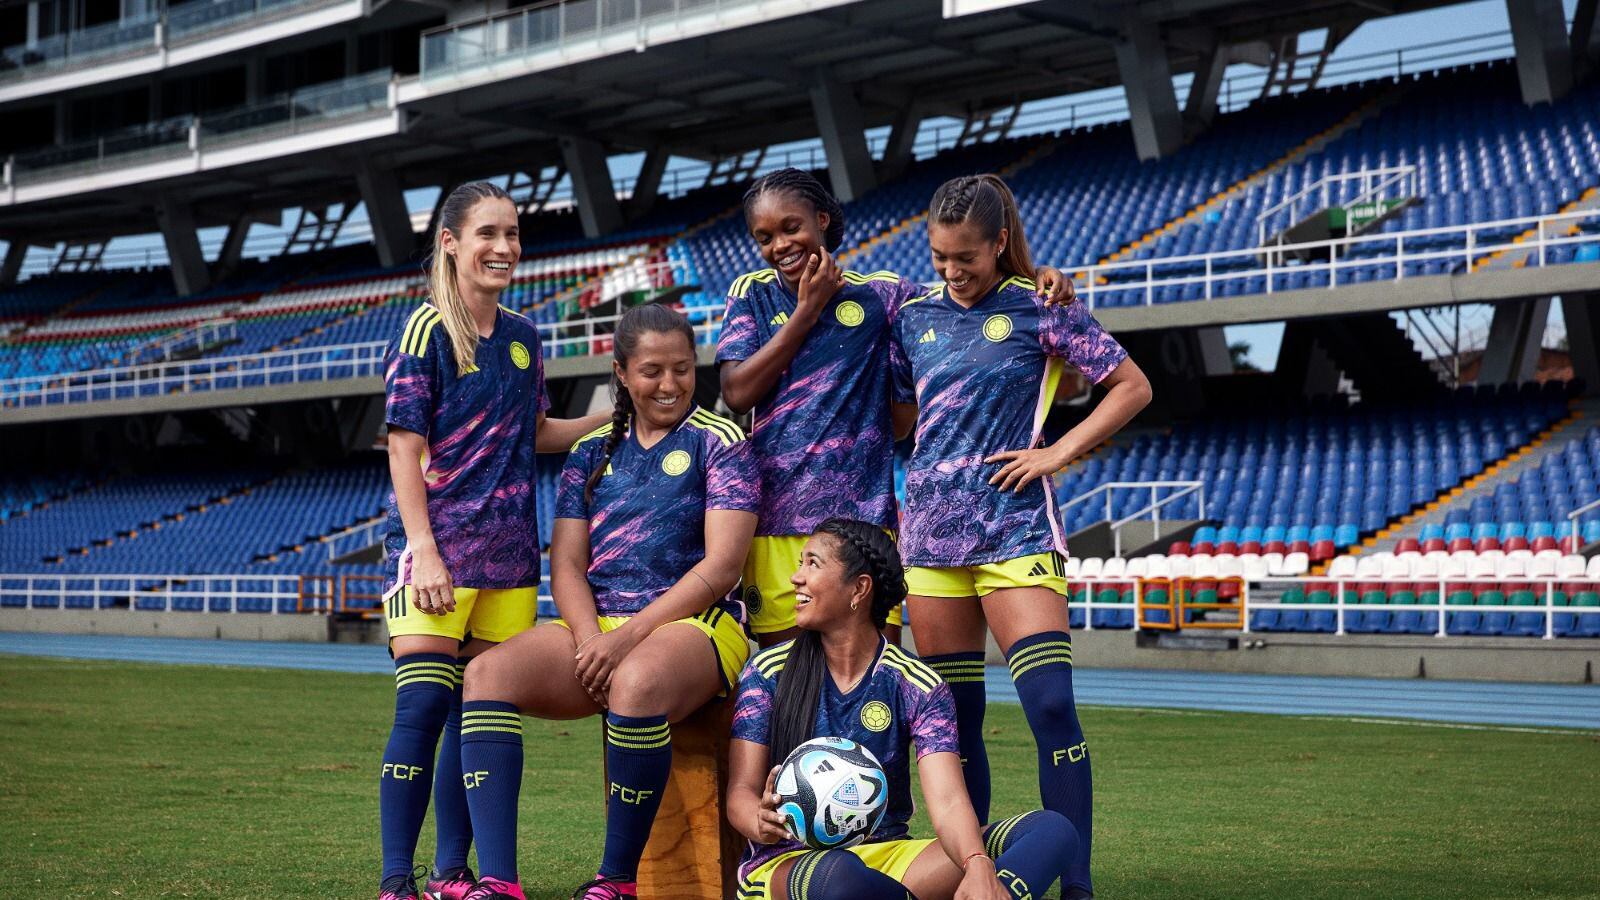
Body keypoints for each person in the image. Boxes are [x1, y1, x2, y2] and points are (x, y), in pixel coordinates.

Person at [890, 174, 1153, 899]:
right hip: (932, 545)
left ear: (999, 241)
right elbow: (899, 416)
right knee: (955, 720)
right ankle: (971, 879)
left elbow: (1133, 386)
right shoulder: (912, 317)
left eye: (965, 258)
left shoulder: (1042, 305)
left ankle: (1076, 885)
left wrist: (1056, 452)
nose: (951, 271)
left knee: (1050, 705)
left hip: (1015, 534)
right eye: (940, 258)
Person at [456, 303, 760, 900]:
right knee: (486, 674)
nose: (669, 385)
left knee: (638, 682)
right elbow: (566, 564)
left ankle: (615, 881)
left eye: (681, 369)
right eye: (652, 371)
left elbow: (721, 568)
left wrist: (623, 641)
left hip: (697, 626)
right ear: (621, 372)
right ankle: (498, 881)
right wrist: (592, 636)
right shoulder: (592, 451)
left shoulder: (720, 442)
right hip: (600, 626)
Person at [717, 168, 1075, 648]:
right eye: (764, 236)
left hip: (865, 521)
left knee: (874, 675)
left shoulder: (883, 295)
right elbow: (737, 393)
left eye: (791, 227)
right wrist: (807, 310)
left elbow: (964, 286)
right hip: (777, 519)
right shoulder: (752, 294)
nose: (780, 244)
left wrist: (1035, 277)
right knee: (786, 680)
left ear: (822, 219)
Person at [378, 181, 608, 900]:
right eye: (487, 234)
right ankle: (394, 882)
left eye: (512, 234)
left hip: (509, 565)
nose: (504, 248)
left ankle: (452, 873)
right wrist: (425, 551)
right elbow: (403, 448)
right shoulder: (424, 332)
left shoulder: (524, 337)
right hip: (435, 560)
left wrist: (608, 419)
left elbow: (534, 433)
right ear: (449, 241)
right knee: (419, 710)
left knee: (468, 713)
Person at [727, 518, 1079, 900]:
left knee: (1052, 830)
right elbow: (741, 791)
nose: (796, 578)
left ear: (859, 589)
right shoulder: (767, 672)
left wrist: (978, 863)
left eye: (812, 564)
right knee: (840, 877)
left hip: (890, 857)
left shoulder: (918, 683)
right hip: (791, 862)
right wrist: (758, 821)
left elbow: (947, 798)